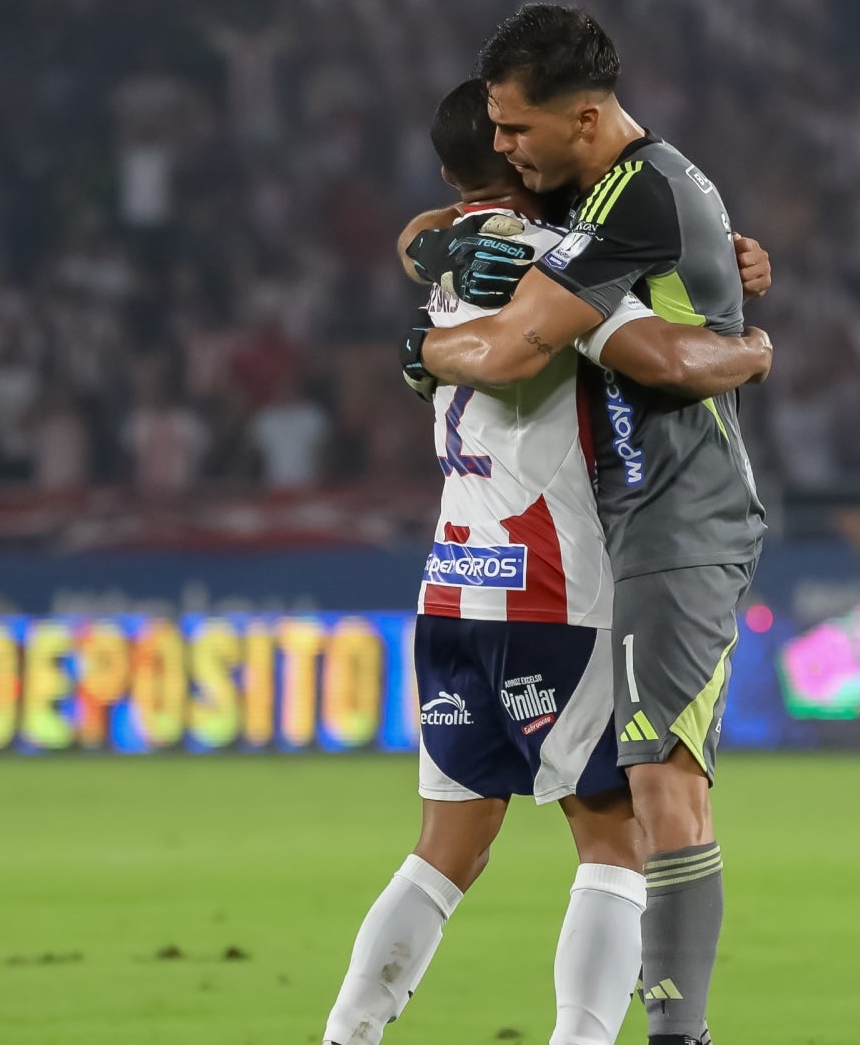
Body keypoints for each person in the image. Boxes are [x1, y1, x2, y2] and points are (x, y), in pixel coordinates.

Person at [322, 78, 773, 1045]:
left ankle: (348, 1034)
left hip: (451, 591)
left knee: (445, 851)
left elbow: (426, 237)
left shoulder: (447, 269)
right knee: (613, 840)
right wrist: (744, 340)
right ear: (523, 165)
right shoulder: (551, 265)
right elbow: (656, 350)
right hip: (555, 595)